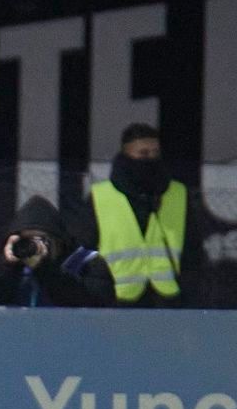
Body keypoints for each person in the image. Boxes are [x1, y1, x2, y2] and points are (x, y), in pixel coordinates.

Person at [69, 123, 198, 307]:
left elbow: (193, 252)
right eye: (143, 154)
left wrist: (189, 291)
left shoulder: (178, 194)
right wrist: (96, 286)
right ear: (126, 155)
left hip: (168, 300)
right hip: (115, 300)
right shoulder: (100, 197)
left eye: (155, 153)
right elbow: (82, 249)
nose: (151, 159)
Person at [0, 195, 116, 308]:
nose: (33, 246)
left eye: (40, 239)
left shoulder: (88, 264)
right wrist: (5, 267)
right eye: (27, 239)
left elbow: (91, 304)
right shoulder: (14, 269)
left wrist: (45, 269)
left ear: (58, 239)